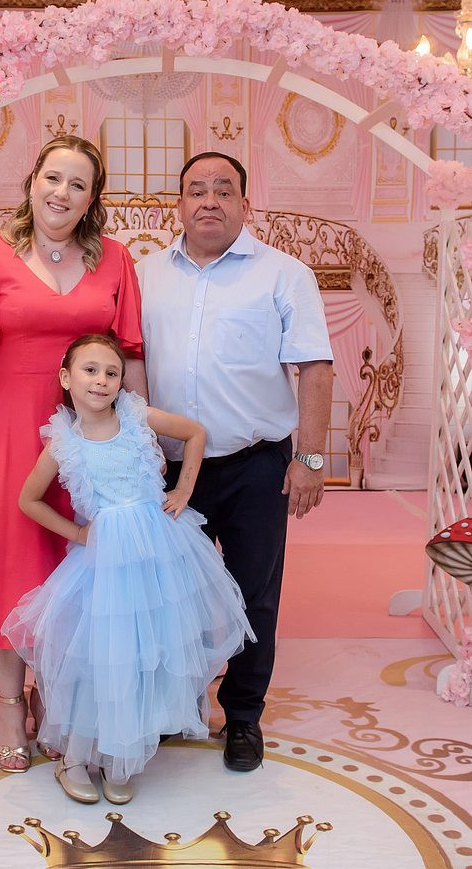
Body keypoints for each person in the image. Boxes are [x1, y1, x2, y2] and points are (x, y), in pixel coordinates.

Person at [0, 136, 146, 774]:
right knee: (10, 564)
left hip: (90, 433)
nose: (62, 193)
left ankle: (57, 694)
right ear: (32, 182)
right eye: (53, 178)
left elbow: (131, 355)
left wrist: (139, 445)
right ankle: (7, 707)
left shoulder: (115, 259)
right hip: (9, 431)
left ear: (92, 199)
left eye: (78, 184)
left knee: (72, 564)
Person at [136, 152, 334, 773]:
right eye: (197, 190)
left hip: (257, 465)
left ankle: (243, 715)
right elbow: (126, 360)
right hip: (170, 470)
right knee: (170, 594)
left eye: (224, 190)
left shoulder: (284, 274)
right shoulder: (144, 275)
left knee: (254, 594)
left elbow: (315, 366)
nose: (210, 201)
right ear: (178, 204)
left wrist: (311, 458)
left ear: (246, 204)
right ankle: (176, 704)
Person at [1, 334, 255, 804]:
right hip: (105, 564)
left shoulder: (137, 418)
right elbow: (28, 500)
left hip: (157, 553)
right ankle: (76, 758)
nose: (101, 380)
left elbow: (194, 434)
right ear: (66, 378)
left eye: (111, 372)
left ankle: (122, 757)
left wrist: (183, 490)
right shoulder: (64, 444)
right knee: (102, 658)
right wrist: (78, 533)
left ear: (121, 381)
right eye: (90, 370)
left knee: (144, 655)